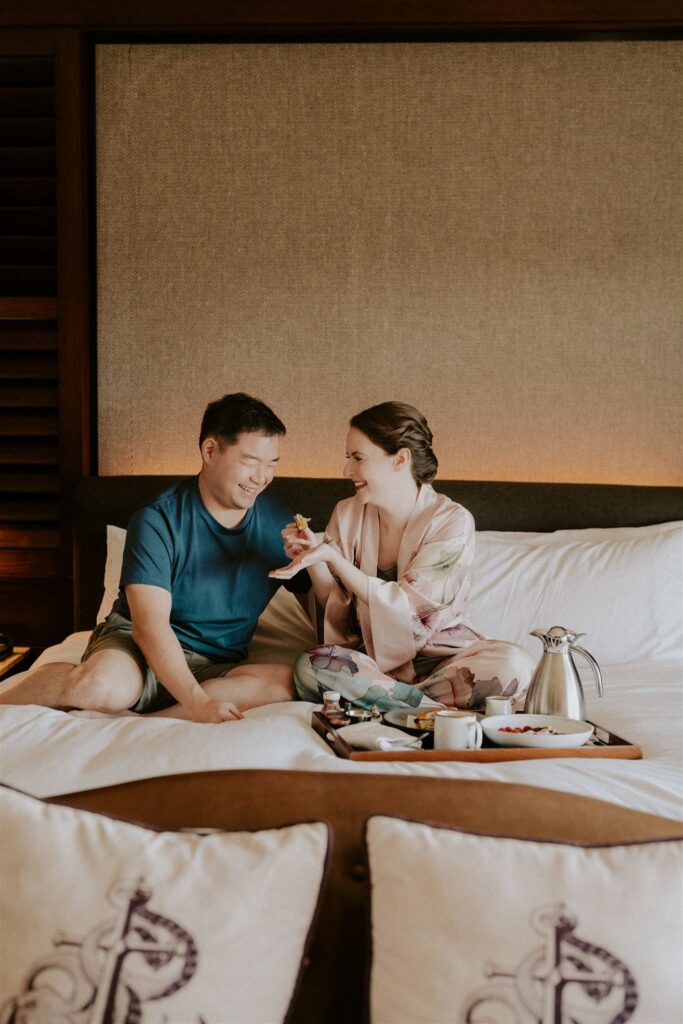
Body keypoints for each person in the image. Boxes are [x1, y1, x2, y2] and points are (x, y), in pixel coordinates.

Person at [0, 393, 310, 723]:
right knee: (101, 688)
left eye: (272, 464)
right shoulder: (157, 520)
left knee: (287, 682)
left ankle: (153, 720)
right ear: (210, 451)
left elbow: (320, 613)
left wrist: (317, 563)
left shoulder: (280, 524)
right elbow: (150, 627)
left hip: (216, 664)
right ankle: (39, 686)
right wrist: (199, 704)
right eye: (250, 462)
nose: (261, 477)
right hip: (138, 646)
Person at [270, 401, 534, 712]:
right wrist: (316, 558)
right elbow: (337, 612)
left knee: (515, 665)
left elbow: (411, 615)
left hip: (441, 662)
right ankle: (429, 711)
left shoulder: (452, 521)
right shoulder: (346, 513)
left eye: (358, 458)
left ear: (400, 458)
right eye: (348, 458)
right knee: (312, 663)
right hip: (370, 663)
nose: (347, 470)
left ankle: (393, 703)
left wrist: (335, 560)